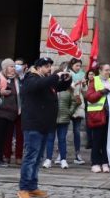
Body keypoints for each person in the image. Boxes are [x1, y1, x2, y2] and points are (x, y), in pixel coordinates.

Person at [18, 57, 72, 198]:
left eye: (50, 67)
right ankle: (23, 188)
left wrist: (67, 79)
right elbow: (39, 85)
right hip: (33, 125)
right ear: (39, 67)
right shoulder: (31, 78)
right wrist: (55, 76)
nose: (49, 69)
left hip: (44, 125)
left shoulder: (45, 80)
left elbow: (61, 87)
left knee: (38, 158)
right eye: (47, 67)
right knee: (30, 157)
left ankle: (32, 186)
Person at [42, 63, 80, 169]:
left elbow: (75, 101)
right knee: (50, 139)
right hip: (51, 117)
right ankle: (48, 159)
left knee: (62, 139)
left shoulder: (68, 88)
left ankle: (63, 159)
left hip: (64, 117)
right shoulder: (49, 87)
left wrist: (69, 111)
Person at [85, 64, 110, 174]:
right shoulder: (95, 80)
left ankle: (105, 162)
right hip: (98, 115)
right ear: (100, 70)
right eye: (106, 70)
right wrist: (101, 92)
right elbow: (89, 97)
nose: (108, 72)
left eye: (109, 70)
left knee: (107, 141)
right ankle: (95, 163)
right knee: (97, 140)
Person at [69, 68, 86, 164]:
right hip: (68, 103)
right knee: (62, 131)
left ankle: (77, 154)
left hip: (78, 105)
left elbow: (85, 92)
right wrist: (74, 84)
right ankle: (61, 154)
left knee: (77, 131)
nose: (78, 67)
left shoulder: (81, 74)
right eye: (76, 65)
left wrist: (83, 84)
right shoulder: (68, 74)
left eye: (80, 65)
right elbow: (66, 87)